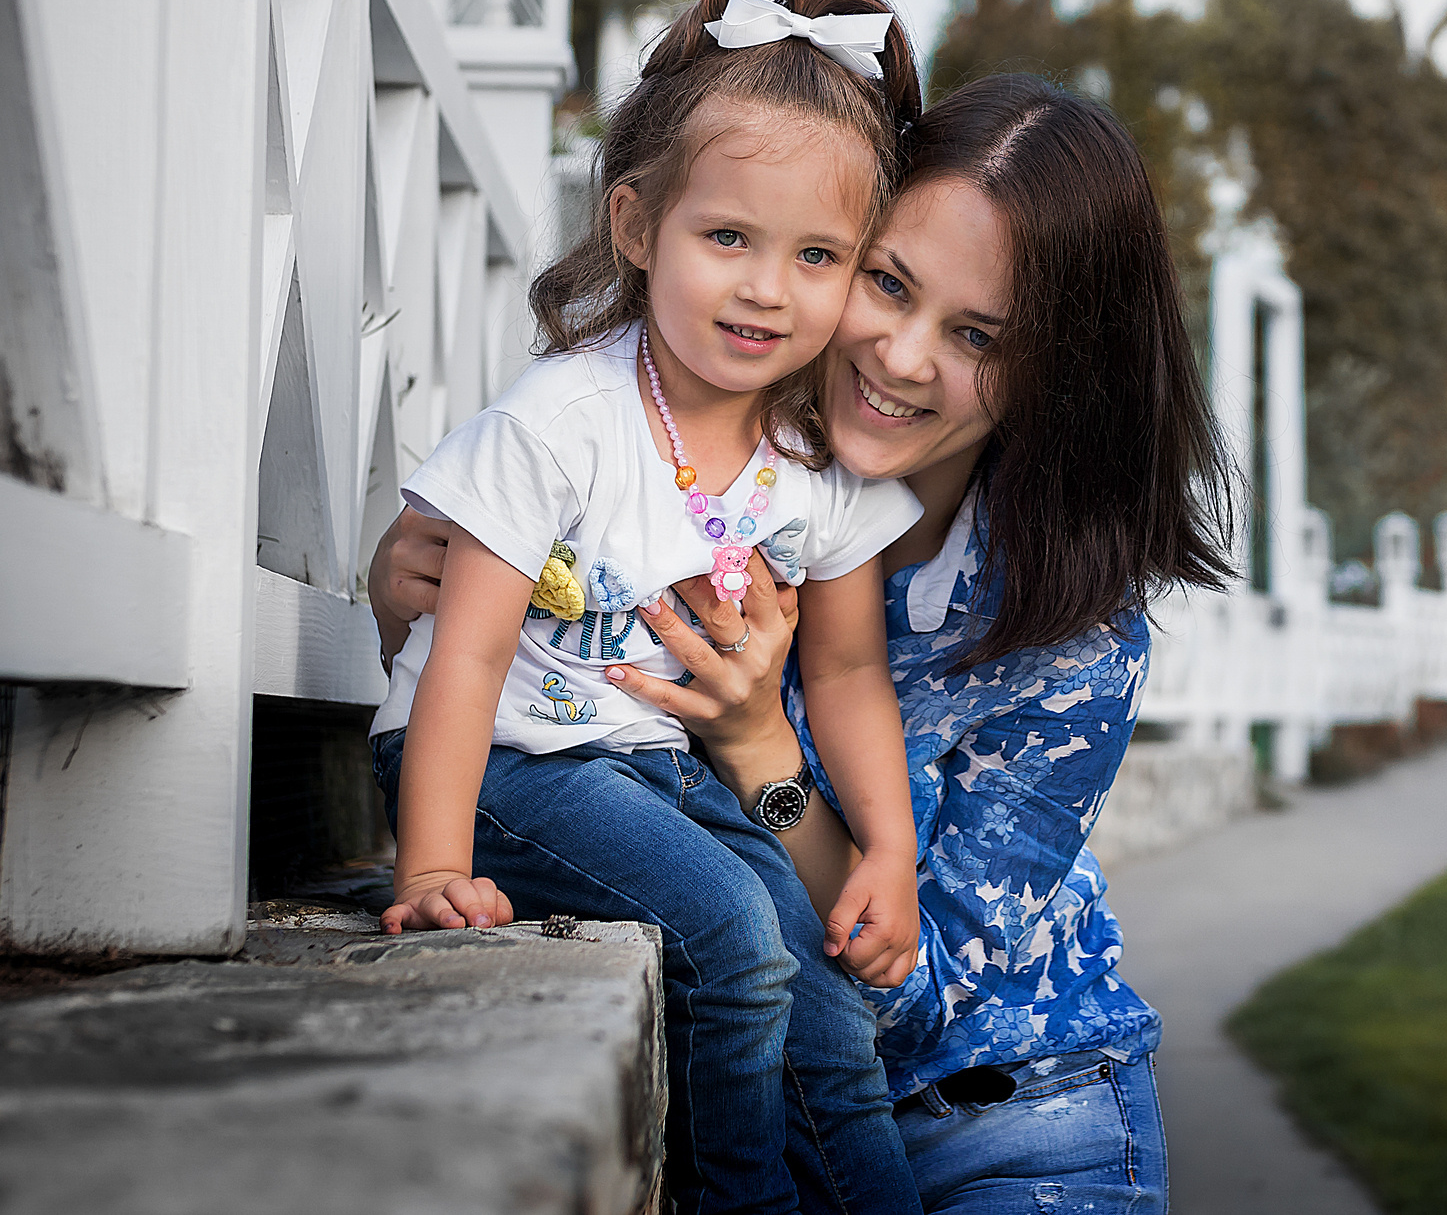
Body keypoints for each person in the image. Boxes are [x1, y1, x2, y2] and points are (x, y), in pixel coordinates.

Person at [377, 73, 1233, 1211]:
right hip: (775, 1100)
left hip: (1013, 1115)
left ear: (1051, 371)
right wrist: (401, 599)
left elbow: (909, 987)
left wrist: (760, 754)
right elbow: (498, 688)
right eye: (888, 282)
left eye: (977, 334)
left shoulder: (1071, 634)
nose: (904, 356)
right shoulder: (679, 469)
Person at [370, 0, 929, 1215]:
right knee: (732, 934)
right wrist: (429, 865)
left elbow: (843, 669)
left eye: (816, 256)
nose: (764, 289)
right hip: (514, 764)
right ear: (637, 225)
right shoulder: (563, 421)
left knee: (829, 1010)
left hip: (668, 777)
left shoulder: (815, 462)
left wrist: (881, 854)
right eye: (726, 236)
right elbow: (461, 656)